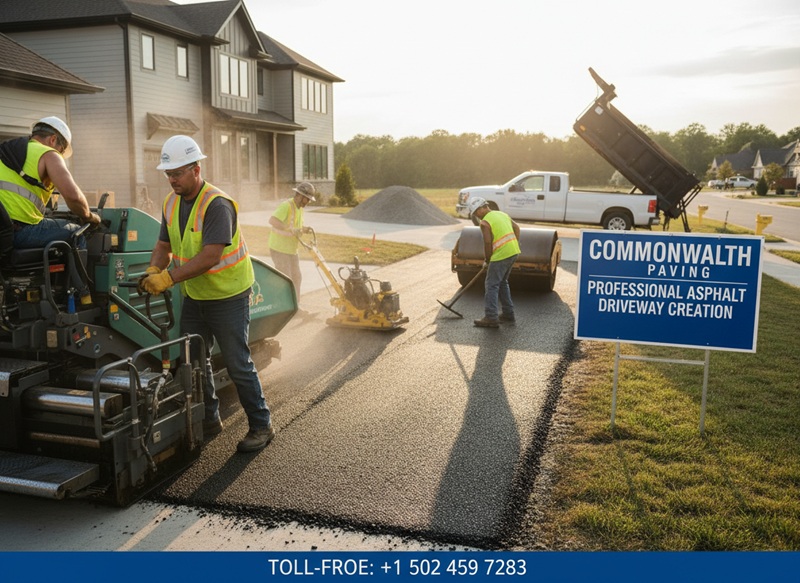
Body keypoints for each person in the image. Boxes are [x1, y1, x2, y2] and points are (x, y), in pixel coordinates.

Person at [140, 135, 274, 453]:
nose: (172, 179)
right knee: (197, 362)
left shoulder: (217, 205)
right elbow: (163, 245)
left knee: (237, 363)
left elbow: (211, 256)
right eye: (168, 173)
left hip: (228, 296)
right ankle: (210, 419)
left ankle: (261, 425)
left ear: (196, 169)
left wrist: (168, 278)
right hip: (196, 297)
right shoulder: (170, 203)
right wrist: (153, 269)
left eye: (177, 173)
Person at [0, 116, 100, 249]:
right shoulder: (49, 154)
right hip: (17, 231)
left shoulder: (7, 152)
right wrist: (89, 216)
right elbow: (73, 197)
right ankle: (81, 264)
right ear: (53, 140)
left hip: (4, 230)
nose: (60, 155)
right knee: (77, 232)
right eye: (62, 150)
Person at [468, 197, 521, 328]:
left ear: (481, 209)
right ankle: (508, 313)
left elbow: (487, 242)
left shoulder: (485, 222)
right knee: (502, 282)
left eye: (476, 212)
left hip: (501, 256)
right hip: (513, 252)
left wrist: (487, 259)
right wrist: (513, 244)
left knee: (491, 285)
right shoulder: (502, 214)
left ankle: (491, 317)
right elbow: (517, 228)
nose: (476, 216)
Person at [268, 181, 316, 314]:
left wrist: (303, 229)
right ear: (300, 196)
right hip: (279, 248)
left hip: (291, 249)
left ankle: (295, 307)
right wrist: (288, 228)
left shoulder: (300, 209)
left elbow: (295, 228)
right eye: (307, 199)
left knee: (297, 277)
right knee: (286, 279)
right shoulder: (286, 206)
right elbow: (272, 221)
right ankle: (285, 309)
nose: (308, 202)